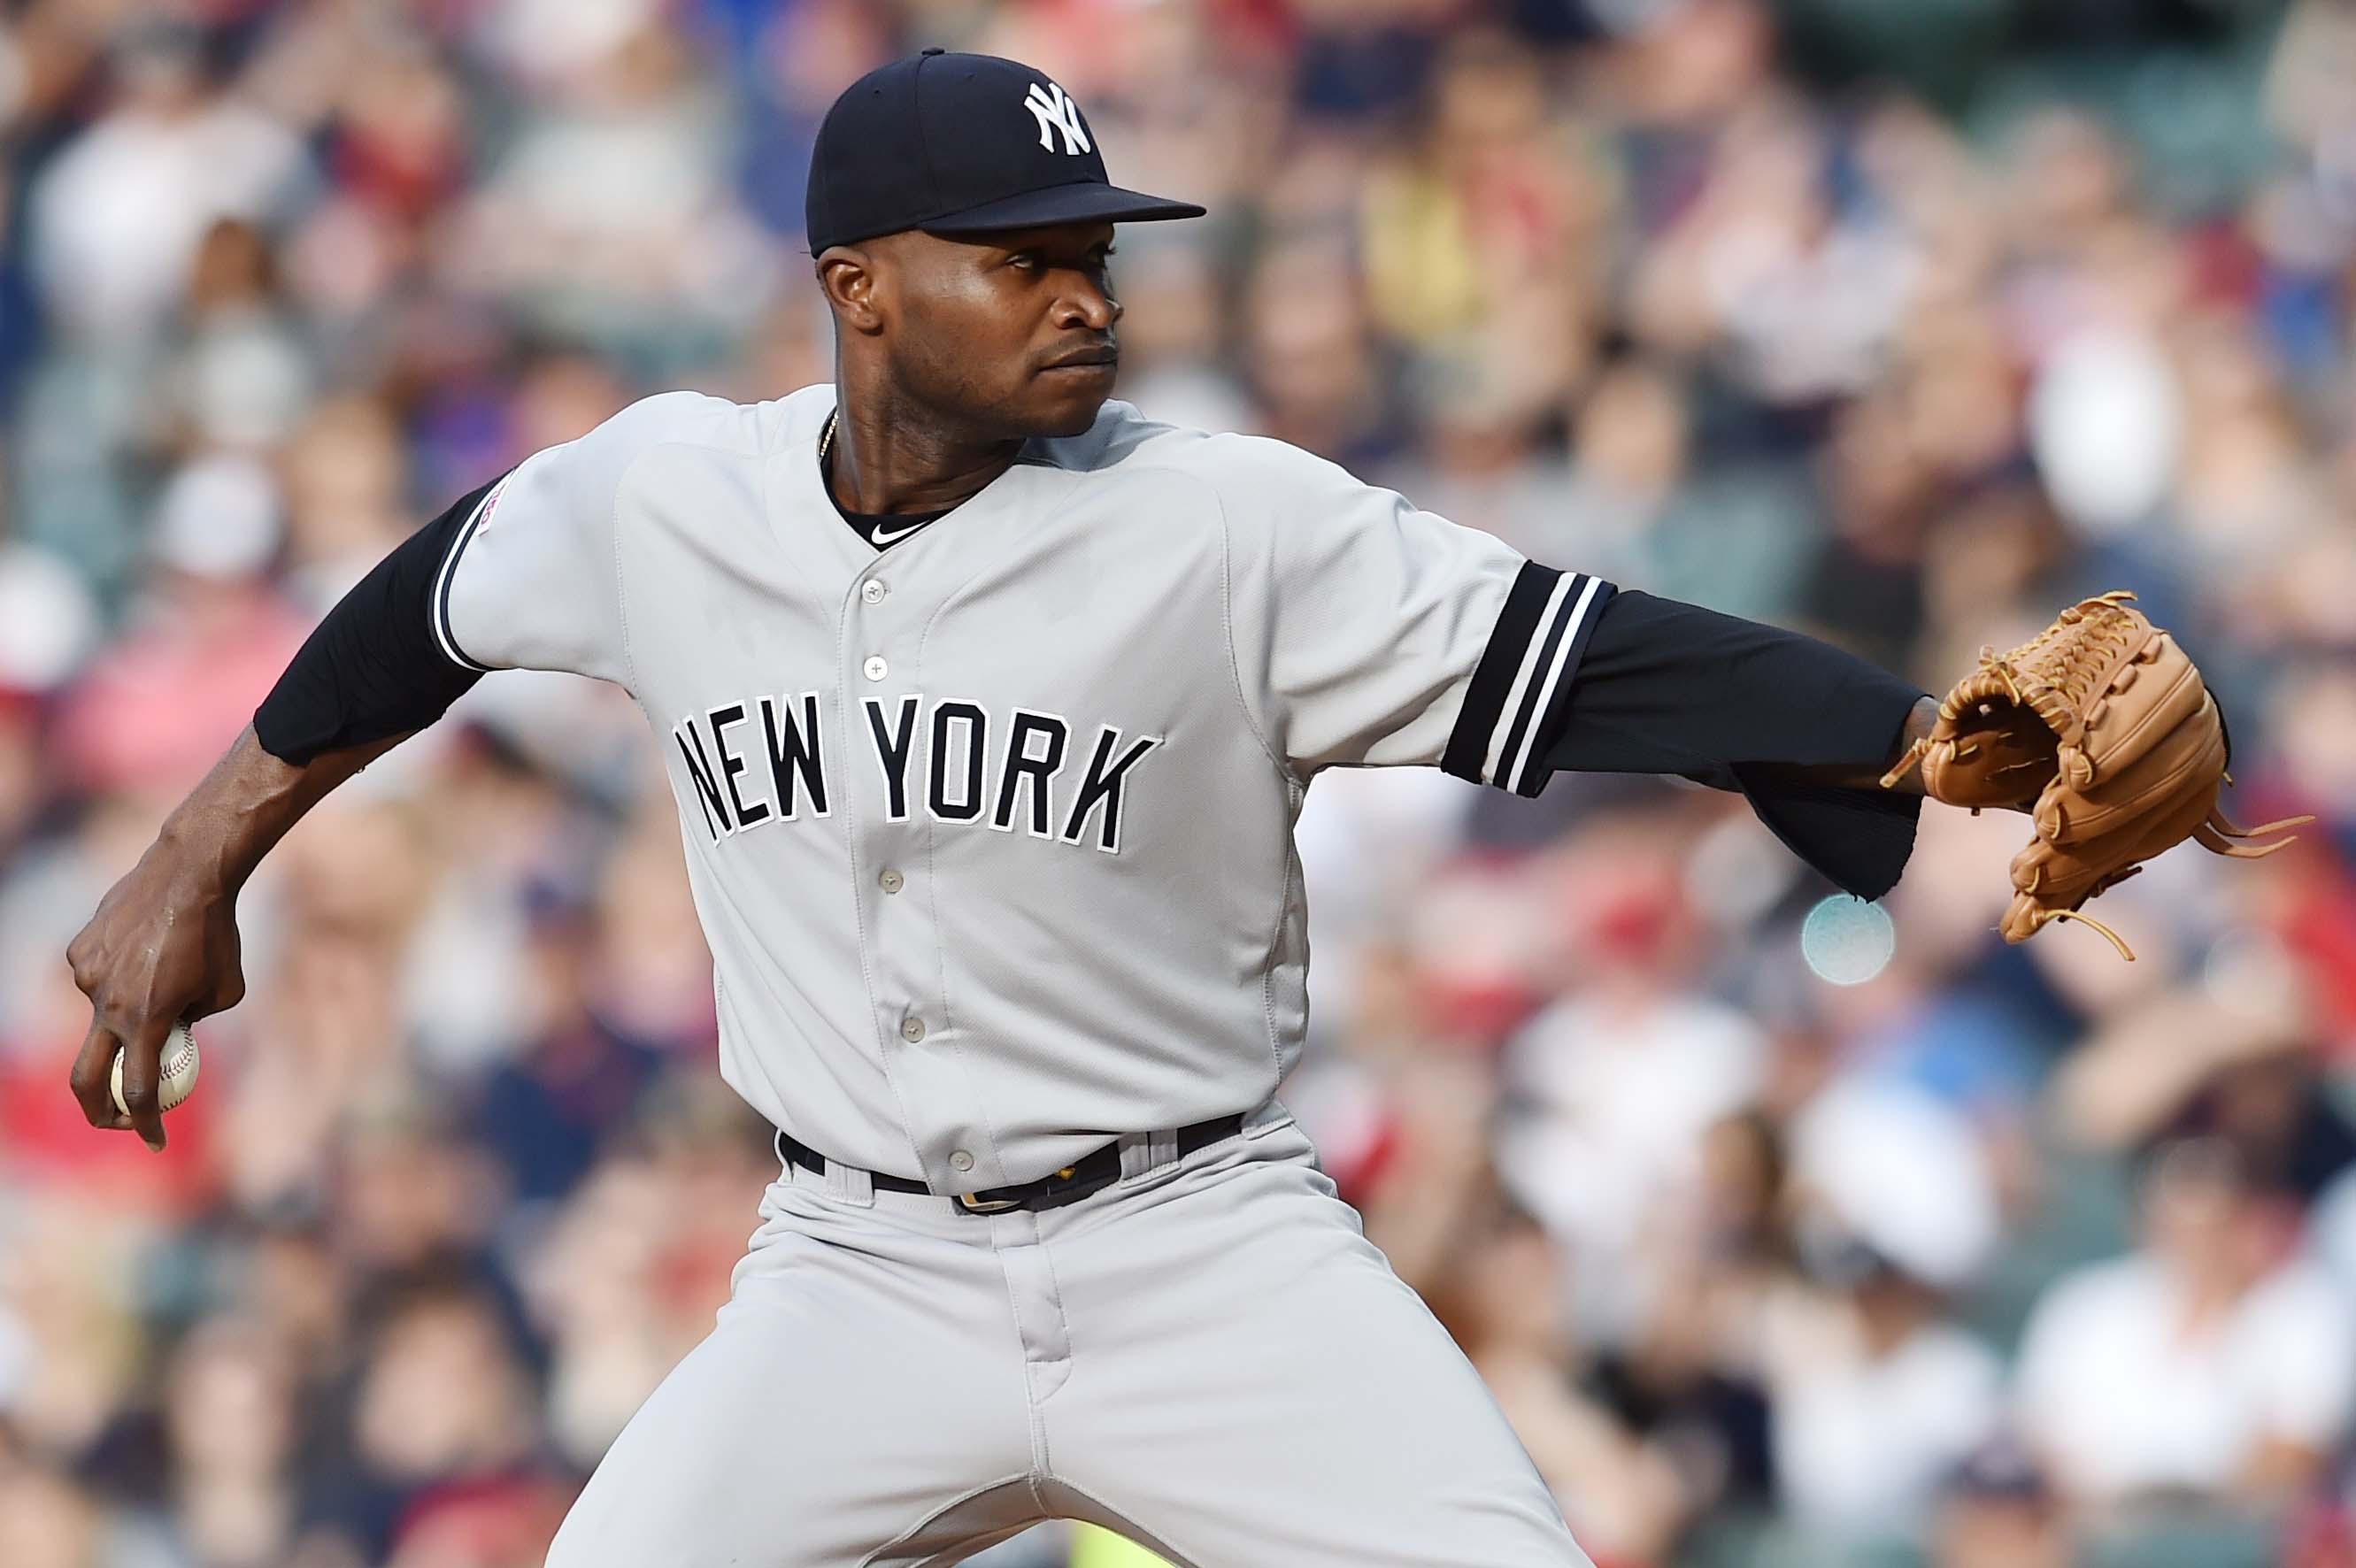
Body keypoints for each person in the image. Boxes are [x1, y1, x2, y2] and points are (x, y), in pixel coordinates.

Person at [67, 50, 1940, 1568]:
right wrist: (189, 854)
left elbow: (1592, 656)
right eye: (1020, 255)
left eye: (1092, 252)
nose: (1083, 292)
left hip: (1200, 1242)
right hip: (854, 1266)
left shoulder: (1224, 524)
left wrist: (1910, 739)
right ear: (858, 289)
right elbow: (427, 608)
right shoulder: (667, 500)